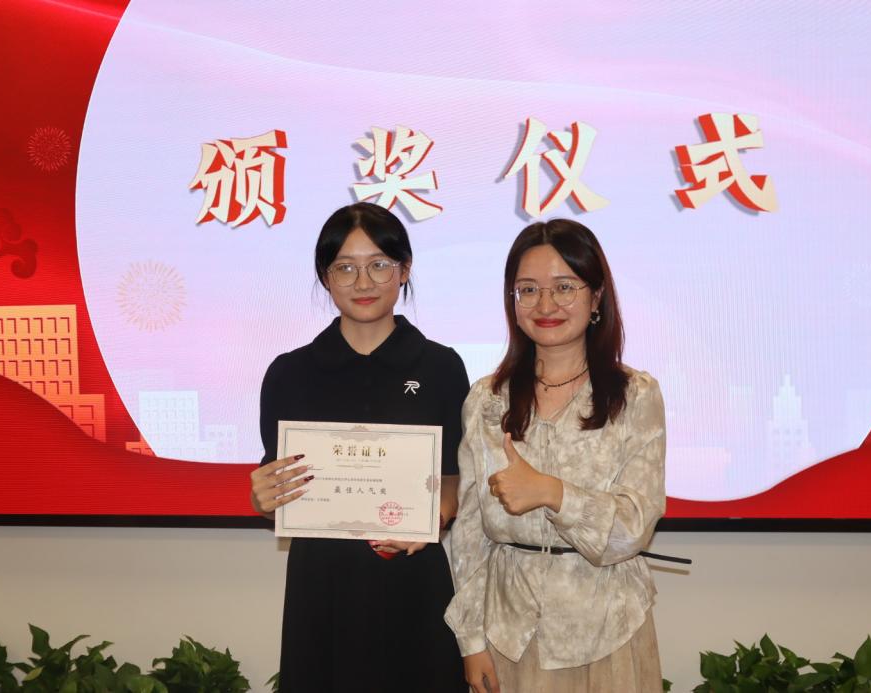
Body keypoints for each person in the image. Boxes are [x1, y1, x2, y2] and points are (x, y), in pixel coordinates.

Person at [249, 202, 469, 693]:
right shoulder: (290, 373)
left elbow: (455, 476)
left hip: (413, 581)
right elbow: (276, 486)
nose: (363, 282)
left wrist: (433, 517)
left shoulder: (441, 367)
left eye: (379, 265)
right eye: (345, 267)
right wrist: (263, 500)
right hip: (322, 586)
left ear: (404, 270)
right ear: (325, 278)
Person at [445, 218, 666, 693]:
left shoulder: (636, 395)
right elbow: (467, 534)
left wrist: (552, 492)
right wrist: (471, 640)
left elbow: (634, 527)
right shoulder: (487, 399)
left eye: (564, 287)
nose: (545, 305)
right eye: (528, 290)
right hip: (508, 636)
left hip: (606, 632)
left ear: (596, 297)